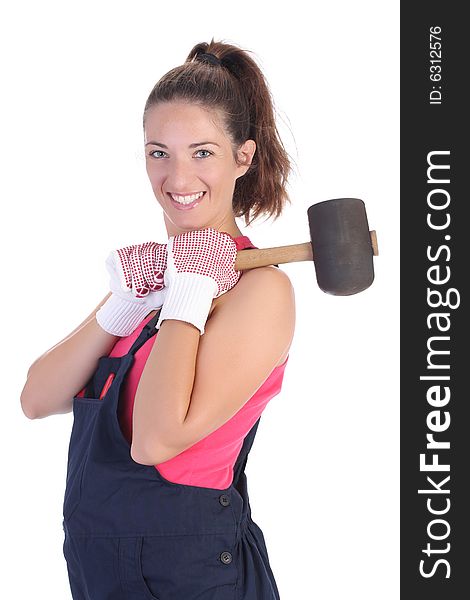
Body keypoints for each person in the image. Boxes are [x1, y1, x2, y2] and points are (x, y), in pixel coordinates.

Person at [20, 38, 296, 600]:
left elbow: (155, 440)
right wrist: (124, 305)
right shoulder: (153, 283)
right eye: (158, 152)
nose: (177, 177)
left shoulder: (260, 292)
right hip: (104, 575)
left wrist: (190, 294)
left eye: (201, 153)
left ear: (241, 158)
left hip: (194, 576)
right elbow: (36, 398)